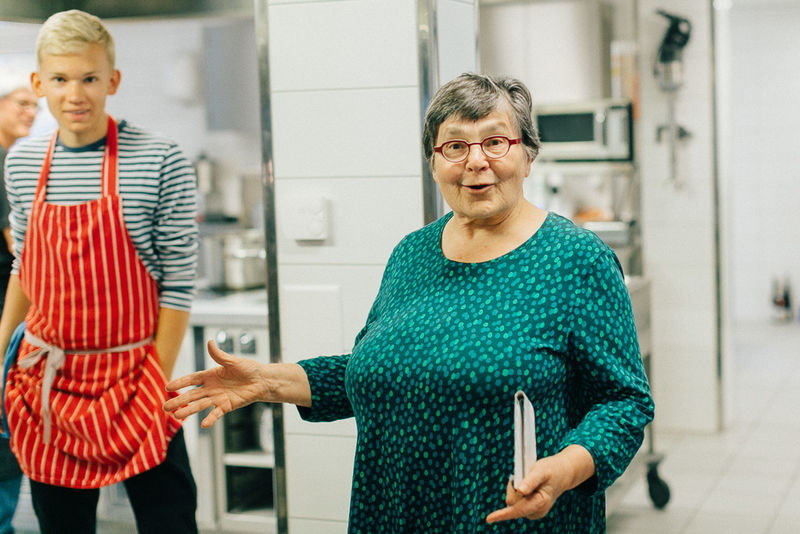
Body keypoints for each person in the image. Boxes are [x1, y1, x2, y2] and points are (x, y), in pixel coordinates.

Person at [164, 73, 654, 533]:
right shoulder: (412, 253)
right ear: (434, 163)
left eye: (495, 141)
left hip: (511, 515)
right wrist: (267, 380)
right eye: (455, 146)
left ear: (527, 155)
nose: (475, 161)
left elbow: (624, 401)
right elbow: (377, 371)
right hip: (394, 510)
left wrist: (568, 467)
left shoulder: (576, 259)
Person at [0, 10, 199, 534]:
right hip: (47, 383)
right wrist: (1, 345)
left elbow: (178, 283)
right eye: (61, 79)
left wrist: (156, 381)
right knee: (61, 526)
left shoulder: (159, 158)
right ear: (39, 83)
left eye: (89, 78)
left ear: (112, 80)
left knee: (169, 521)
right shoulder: (21, 161)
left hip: (136, 375)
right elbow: (25, 262)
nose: (75, 94)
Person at [0, 72, 38, 534]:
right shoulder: (6, 164)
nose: (30, 111)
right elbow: (24, 250)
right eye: (21, 103)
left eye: (34, 105)